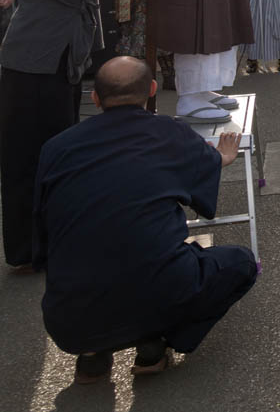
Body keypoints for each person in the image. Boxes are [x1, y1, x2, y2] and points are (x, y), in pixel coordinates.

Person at [0, 0, 187, 271]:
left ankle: (49, 242)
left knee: (57, 154)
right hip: (36, 58)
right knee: (31, 158)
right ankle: (30, 250)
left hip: (57, 55)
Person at [33, 57, 257, 383]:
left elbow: (42, 228)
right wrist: (220, 159)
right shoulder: (169, 133)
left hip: (68, 318)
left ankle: (93, 354)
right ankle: (158, 343)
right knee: (240, 262)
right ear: (152, 90)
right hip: (158, 298)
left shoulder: (55, 149)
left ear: (95, 99)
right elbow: (200, 193)